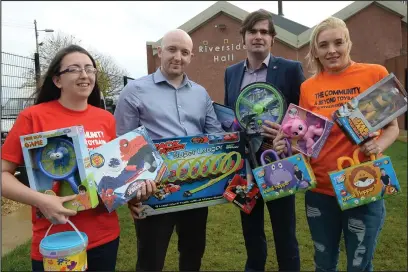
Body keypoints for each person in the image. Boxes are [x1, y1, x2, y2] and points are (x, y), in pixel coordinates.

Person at [1, 45, 155, 271]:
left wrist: (132, 195)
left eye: (90, 69)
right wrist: (41, 200)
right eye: (74, 69)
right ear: (57, 80)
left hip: (104, 237)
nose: (84, 75)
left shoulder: (106, 119)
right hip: (55, 240)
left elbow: (113, 174)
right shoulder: (32, 117)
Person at [273, 16, 400, 271]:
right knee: (324, 262)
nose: (332, 50)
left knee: (359, 263)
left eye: (338, 43)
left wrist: (378, 145)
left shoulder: (375, 73)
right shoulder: (309, 87)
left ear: (348, 43)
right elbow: (304, 138)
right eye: (324, 45)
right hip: (320, 191)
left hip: (363, 184)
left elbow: (392, 128)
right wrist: (285, 143)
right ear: (316, 52)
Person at [114, 29, 223, 271]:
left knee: (193, 254)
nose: (178, 57)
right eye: (172, 49)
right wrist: (132, 190)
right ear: (159, 52)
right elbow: (122, 143)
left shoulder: (200, 93)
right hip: (153, 191)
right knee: (151, 259)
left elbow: (215, 135)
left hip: (195, 189)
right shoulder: (134, 91)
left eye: (185, 52)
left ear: (191, 56)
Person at [224, 9, 305, 272]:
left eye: (264, 32)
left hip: (279, 160)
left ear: (272, 39)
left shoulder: (291, 69)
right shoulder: (231, 72)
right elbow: (231, 113)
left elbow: (302, 115)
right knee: (251, 232)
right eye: (252, 32)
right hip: (243, 167)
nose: (258, 36)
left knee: (285, 232)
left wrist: (286, 132)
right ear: (243, 38)